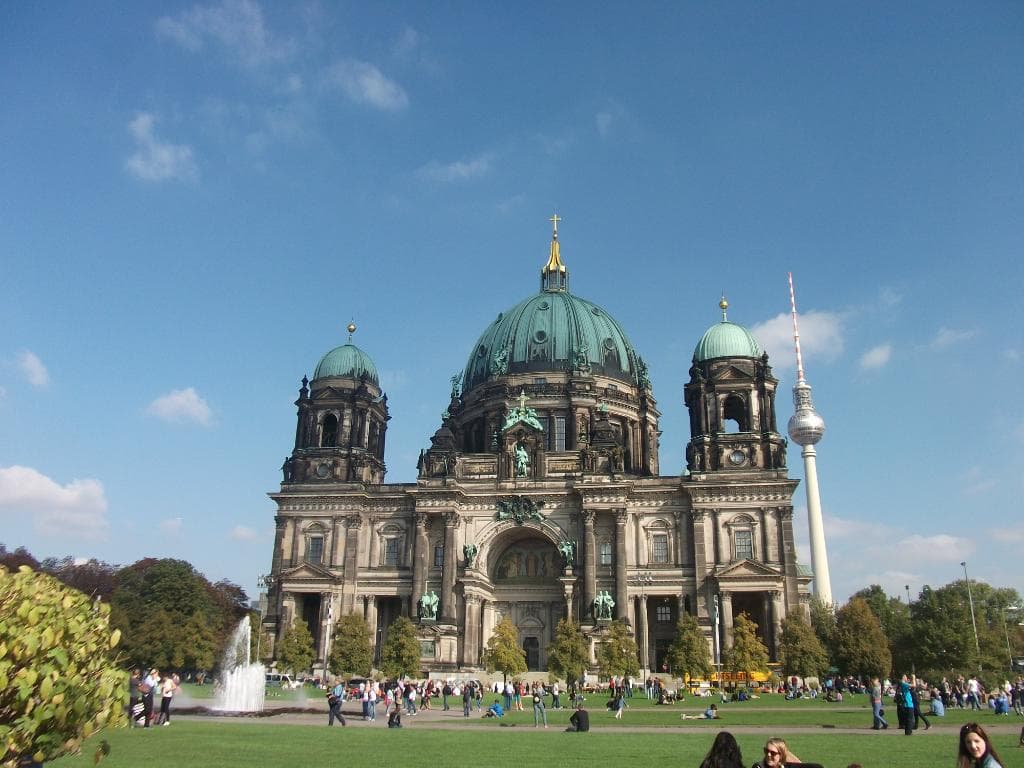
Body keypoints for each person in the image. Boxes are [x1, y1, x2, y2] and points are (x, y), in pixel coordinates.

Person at [751, 737, 824, 768]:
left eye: (773, 753)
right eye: (766, 751)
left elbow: (817, 766)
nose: (768, 755)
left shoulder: (786, 766)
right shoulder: (758, 766)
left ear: (781, 755)